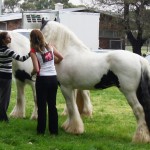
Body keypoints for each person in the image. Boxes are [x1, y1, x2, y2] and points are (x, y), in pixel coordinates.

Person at [30, 29, 63, 135]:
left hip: (42, 80)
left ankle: (41, 131)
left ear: (31, 39)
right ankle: (54, 131)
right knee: (52, 106)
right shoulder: (50, 47)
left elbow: (36, 69)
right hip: (53, 78)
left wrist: (31, 73)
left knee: (42, 106)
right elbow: (61, 57)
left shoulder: (33, 51)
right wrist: (53, 63)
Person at [0, 31, 30, 122]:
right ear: (4, 40)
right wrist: (31, 53)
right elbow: (21, 58)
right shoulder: (7, 51)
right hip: (6, 77)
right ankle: (3, 117)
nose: (10, 38)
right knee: (5, 98)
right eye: (8, 38)